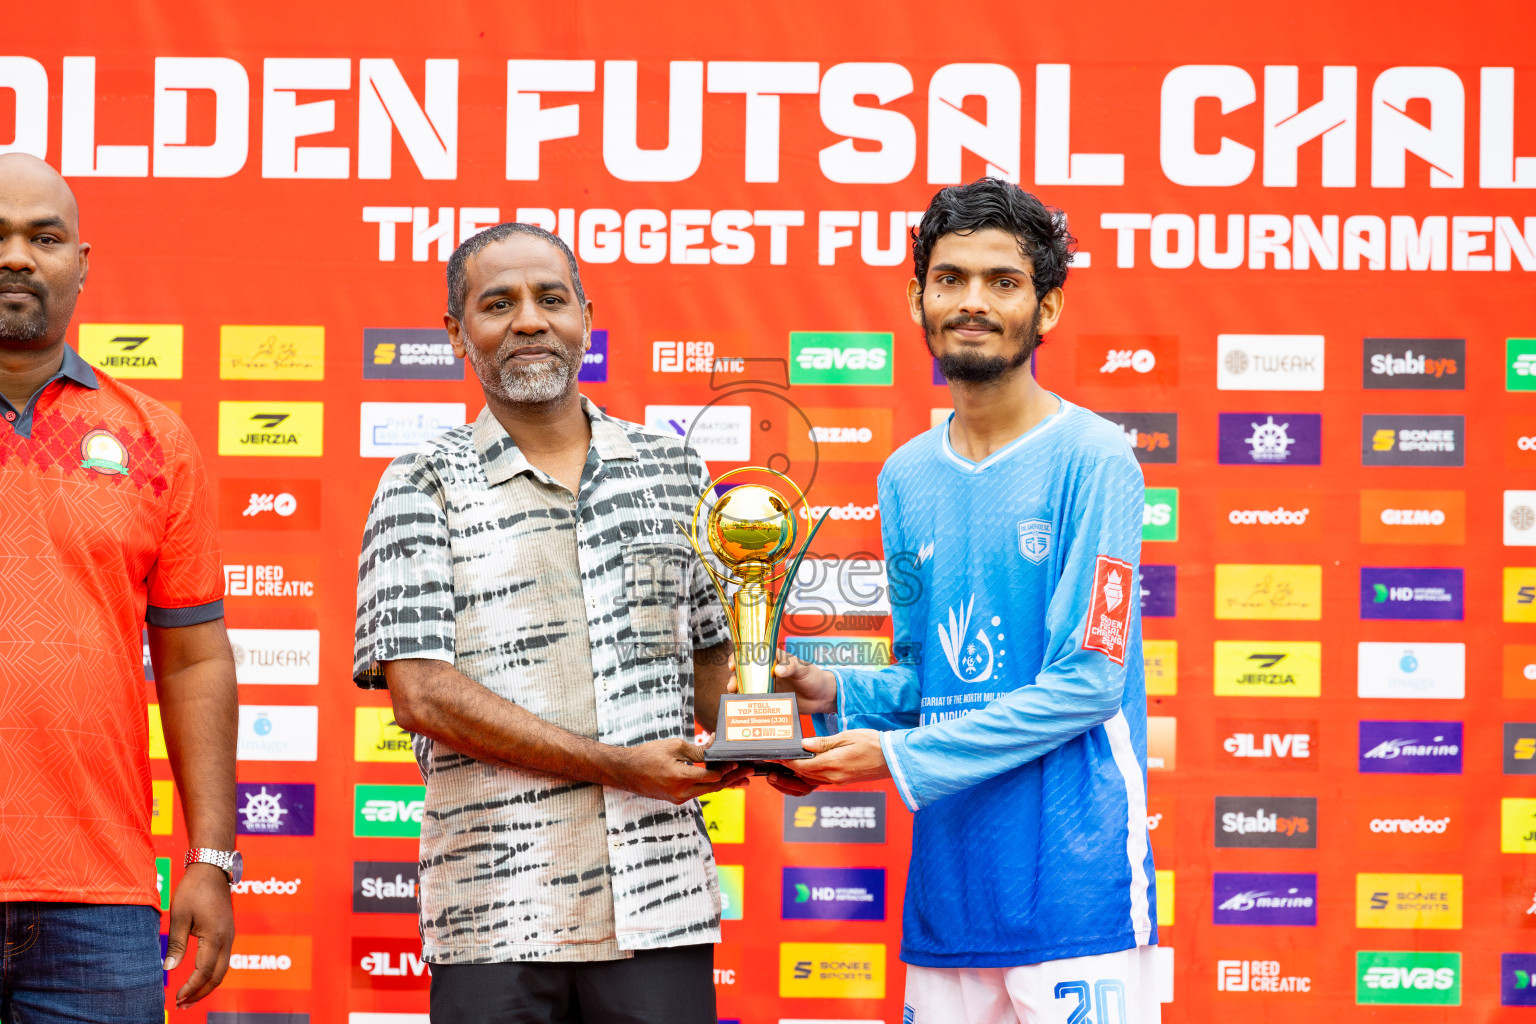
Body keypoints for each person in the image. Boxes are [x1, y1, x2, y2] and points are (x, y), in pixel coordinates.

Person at [765, 177, 1159, 1023]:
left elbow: (1090, 679)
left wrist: (897, 763)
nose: (972, 302)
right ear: (918, 298)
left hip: (1072, 889)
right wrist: (834, 693)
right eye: (951, 280)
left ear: (1046, 309)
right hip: (948, 890)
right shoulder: (905, 475)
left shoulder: (1094, 459)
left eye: (1002, 281)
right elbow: (926, 680)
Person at [354, 221, 753, 1024]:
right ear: (457, 333)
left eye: (551, 299)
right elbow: (422, 697)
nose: (529, 320)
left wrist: (760, 727)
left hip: (660, 902)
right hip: (496, 913)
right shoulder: (420, 483)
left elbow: (720, 659)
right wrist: (620, 765)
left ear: (586, 318)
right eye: (498, 303)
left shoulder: (675, 472)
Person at [0, 153, 239, 1021]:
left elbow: (193, 659)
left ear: (82, 263)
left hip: (99, 899)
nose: (19, 256)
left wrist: (212, 856)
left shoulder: (155, 440)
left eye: (44, 237)